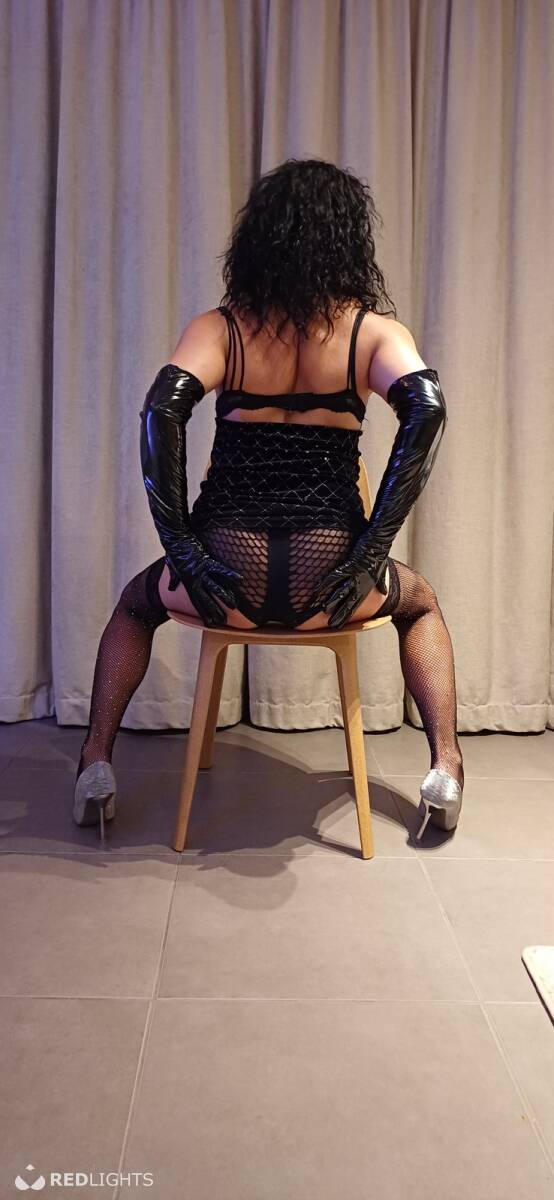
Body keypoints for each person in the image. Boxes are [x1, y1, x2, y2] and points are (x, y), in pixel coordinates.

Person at [73, 157, 464, 843]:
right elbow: (425, 409)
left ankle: (95, 763)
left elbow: (163, 409)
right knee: (422, 603)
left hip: (224, 581)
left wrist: (182, 551)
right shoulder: (372, 334)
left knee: (136, 605)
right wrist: (371, 552)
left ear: (260, 238)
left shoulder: (222, 329)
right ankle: (447, 768)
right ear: (349, 240)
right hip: (332, 583)